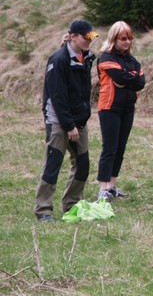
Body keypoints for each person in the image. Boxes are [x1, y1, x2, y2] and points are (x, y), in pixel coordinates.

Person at [34, 20, 98, 222]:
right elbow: (58, 96)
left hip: (79, 119)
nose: (89, 41)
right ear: (73, 37)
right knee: (53, 163)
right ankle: (43, 210)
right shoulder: (59, 59)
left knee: (83, 164)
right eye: (85, 37)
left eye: (91, 37)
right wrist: (69, 125)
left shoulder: (86, 58)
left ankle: (72, 205)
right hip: (59, 120)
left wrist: (80, 119)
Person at [96, 21, 145, 201]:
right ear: (114, 39)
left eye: (129, 38)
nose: (127, 42)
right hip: (109, 108)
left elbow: (141, 82)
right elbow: (123, 77)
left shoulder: (132, 61)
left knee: (120, 148)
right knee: (109, 147)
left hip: (127, 109)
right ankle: (103, 188)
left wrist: (127, 81)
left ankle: (112, 185)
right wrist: (129, 79)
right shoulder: (106, 58)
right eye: (123, 38)